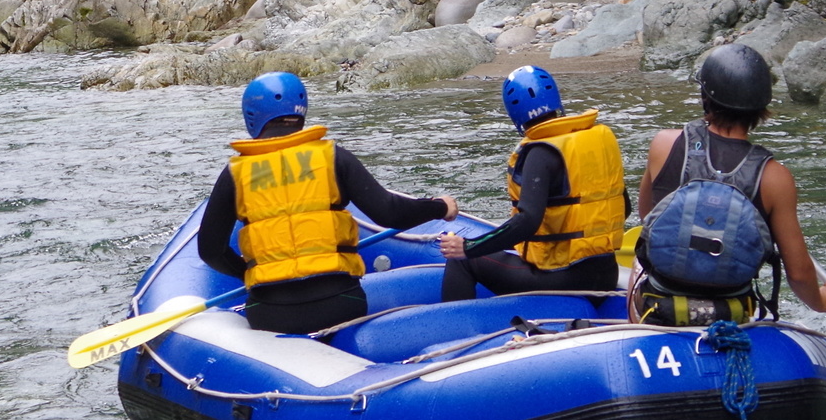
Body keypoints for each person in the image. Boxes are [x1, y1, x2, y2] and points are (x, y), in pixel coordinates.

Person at [198, 72, 459, 335]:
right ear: (301, 111)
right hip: (340, 304)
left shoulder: (235, 173)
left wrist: (248, 273)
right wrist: (439, 206)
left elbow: (210, 251)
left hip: (271, 312)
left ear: (252, 114)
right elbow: (389, 212)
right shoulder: (333, 157)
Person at [633, 43, 826, 322]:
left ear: (705, 96)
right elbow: (798, 274)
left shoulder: (664, 144)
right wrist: (821, 301)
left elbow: (648, 217)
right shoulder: (776, 177)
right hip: (732, 311)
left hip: (660, 306)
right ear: (761, 107)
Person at [438, 66, 624, 300]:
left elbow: (527, 221)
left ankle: (456, 330)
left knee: (462, 262)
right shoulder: (596, 139)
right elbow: (622, 207)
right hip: (606, 274)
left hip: (564, 279)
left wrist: (467, 247)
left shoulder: (540, 152)